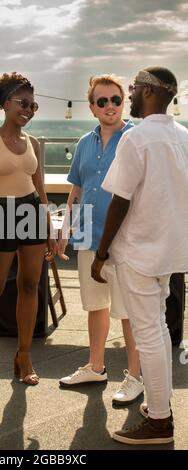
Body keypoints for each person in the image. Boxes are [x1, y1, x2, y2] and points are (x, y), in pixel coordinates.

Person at [91, 67, 184, 445]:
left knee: (149, 334)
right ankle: (160, 405)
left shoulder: (137, 138)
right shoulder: (183, 136)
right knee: (158, 331)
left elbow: (119, 201)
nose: (128, 94)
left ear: (147, 91)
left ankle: (160, 421)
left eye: (131, 89)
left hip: (140, 252)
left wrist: (101, 252)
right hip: (171, 251)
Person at [0, 72, 56, 392]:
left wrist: (49, 228)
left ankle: (24, 356)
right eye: (23, 103)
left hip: (31, 211)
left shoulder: (33, 143)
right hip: (1, 212)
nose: (29, 110)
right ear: (5, 104)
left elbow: (41, 189)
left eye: (34, 105)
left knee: (30, 285)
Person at [58, 74, 144, 405]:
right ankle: (96, 368)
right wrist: (65, 230)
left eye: (115, 100)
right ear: (92, 107)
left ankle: (135, 377)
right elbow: (76, 190)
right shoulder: (83, 143)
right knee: (95, 306)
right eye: (102, 101)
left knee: (128, 312)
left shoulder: (136, 140)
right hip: (88, 238)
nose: (109, 106)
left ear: (124, 102)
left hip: (125, 243)